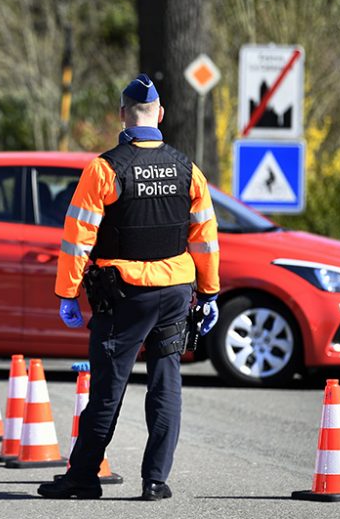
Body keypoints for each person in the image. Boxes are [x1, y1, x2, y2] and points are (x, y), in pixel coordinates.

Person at [37, 74, 220, 501]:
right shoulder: (187, 169)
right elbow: (206, 238)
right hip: (176, 290)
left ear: (122, 115)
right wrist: (210, 293)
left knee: (108, 388)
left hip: (124, 295)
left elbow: (78, 235)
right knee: (166, 382)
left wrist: (67, 293)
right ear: (160, 115)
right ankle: (156, 481)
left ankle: (83, 477)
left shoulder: (104, 169)